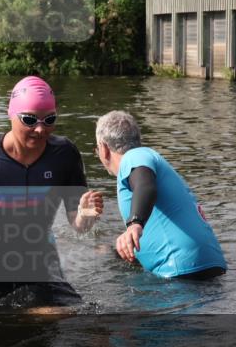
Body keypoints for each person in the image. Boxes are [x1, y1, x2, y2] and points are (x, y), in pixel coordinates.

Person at [0, 76, 104, 312]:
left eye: (49, 120)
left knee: (73, 314)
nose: (40, 129)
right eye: (29, 120)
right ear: (11, 115)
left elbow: (79, 225)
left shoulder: (65, 155)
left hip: (37, 250)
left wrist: (87, 214)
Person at [94, 111, 227, 279]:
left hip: (180, 269)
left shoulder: (134, 156)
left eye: (97, 150)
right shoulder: (149, 160)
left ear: (104, 148)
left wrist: (135, 223)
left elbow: (145, 186)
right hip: (209, 266)